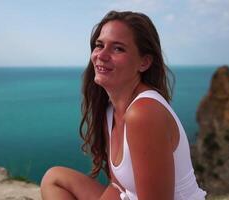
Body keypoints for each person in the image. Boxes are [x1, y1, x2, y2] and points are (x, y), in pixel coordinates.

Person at [40, 10, 206, 200]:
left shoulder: (144, 113)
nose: (101, 55)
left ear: (144, 62)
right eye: (99, 45)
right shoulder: (111, 111)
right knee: (54, 178)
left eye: (118, 48)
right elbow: (118, 187)